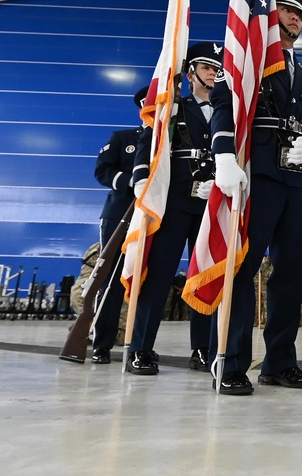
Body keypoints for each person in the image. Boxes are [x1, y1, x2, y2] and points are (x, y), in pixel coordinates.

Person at [209, 0, 302, 396]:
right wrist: (223, 155)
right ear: (269, 13)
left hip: (297, 182)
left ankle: (279, 362)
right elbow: (223, 107)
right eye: (287, 9)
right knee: (242, 268)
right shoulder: (247, 61)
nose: (294, 18)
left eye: (301, 14)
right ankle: (231, 362)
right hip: (257, 174)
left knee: (292, 274)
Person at [124, 42, 218, 375]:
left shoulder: (228, 109)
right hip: (175, 200)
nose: (214, 73)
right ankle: (141, 349)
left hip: (211, 203)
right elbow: (150, 141)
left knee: (206, 275)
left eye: (218, 69)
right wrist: (141, 178)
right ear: (191, 72)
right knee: (159, 276)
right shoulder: (175, 106)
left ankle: (204, 349)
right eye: (207, 67)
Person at [88, 88, 145, 365]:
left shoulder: (171, 141)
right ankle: (101, 344)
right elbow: (102, 171)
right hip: (120, 214)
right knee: (109, 280)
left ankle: (140, 347)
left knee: (146, 281)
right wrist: (130, 181)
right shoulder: (123, 138)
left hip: (154, 217)